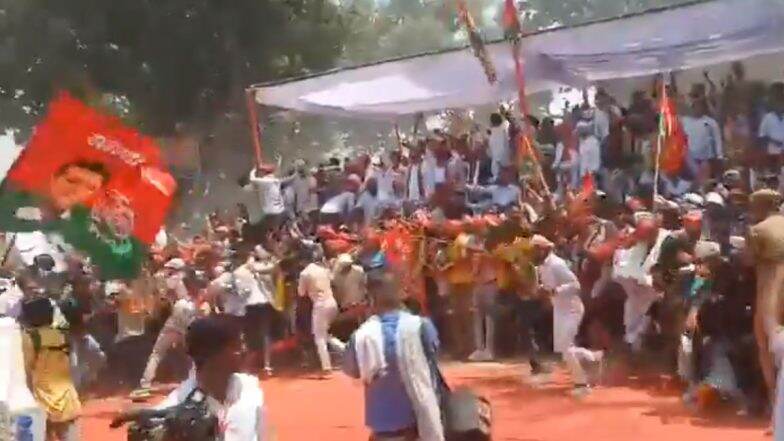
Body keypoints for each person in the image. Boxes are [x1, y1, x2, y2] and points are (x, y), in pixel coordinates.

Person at [115, 316, 270, 441]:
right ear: (212, 354)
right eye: (236, 346)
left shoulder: (250, 390)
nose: (244, 351)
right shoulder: (177, 406)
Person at [343, 272, 445, 441]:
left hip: (383, 431)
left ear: (371, 298)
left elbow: (351, 370)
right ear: (400, 295)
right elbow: (434, 355)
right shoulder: (420, 326)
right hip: (420, 426)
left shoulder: (362, 336)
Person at [531, 235, 604, 396]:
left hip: (572, 308)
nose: (533, 252)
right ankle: (594, 357)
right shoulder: (541, 266)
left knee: (565, 346)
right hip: (559, 308)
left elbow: (575, 284)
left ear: (544, 249)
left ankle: (581, 383)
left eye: (536, 249)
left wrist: (554, 291)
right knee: (563, 348)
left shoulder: (557, 264)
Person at [131, 258, 198, 399]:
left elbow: (160, 291)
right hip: (192, 309)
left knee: (157, 352)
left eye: (170, 268)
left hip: (181, 309)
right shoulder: (190, 276)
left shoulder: (174, 278)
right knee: (192, 350)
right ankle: (196, 381)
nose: (167, 270)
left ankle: (144, 385)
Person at [20, 294, 81, 441]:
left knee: (46, 435)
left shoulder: (30, 337)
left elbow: (27, 368)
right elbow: (73, 362)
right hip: (67, 394)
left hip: (44, 396)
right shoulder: (62, 333)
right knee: (69, 435)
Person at [747, 189, 784, 405]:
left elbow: (748, 261)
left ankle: (774, 401)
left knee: (765, 344)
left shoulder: (758, 230)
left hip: (771, 290)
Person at [298, 245, 345, 376]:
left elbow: (301, 293)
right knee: (324, 335)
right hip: (332, 302)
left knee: (319, 337)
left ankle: (326, 367)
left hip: (320, 305)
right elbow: (332, 279)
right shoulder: (322, 269)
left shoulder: (305, 273)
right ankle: (348, 351)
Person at [681, 99, 723, 185]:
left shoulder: (710, 122)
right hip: (687, 159)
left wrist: (719, 156)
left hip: (705, 160)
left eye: (700, 106)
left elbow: (717, 140)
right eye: (695, 106)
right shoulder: (683, 121)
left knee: (704, 182)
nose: (697, 109)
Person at [488, 113, 512, 180]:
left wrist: (499, 162)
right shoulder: (498, 131)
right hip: (499, 163)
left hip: (500, 165)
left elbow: (500, 148)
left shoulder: (499, 132)